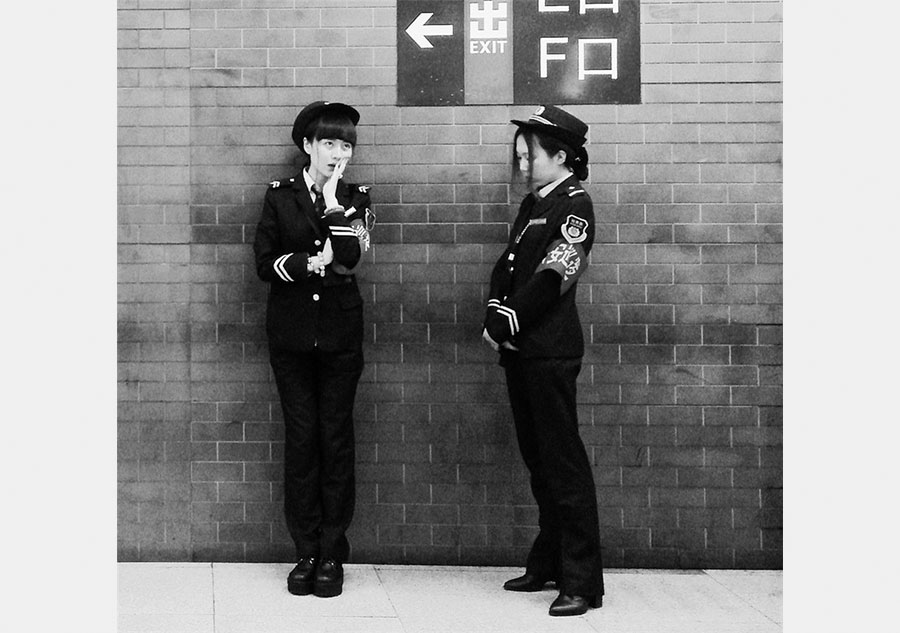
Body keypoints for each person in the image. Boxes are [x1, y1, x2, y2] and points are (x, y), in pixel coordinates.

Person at [482, 105, 604, 616]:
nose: (521, 159)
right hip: (523, 353)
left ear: (561, 155)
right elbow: (508, 266)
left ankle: (582, 581)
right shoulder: (534, 204)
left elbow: (555, 275)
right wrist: (495, 311)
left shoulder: (573, 207)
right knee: (539, 463)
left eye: (529, 152)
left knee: (563, 465)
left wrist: (508, 321)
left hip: (549, 351)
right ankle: (549, 558)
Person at [253, 101, 374, 598]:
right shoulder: (278, 197)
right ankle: (304, 549)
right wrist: (308, 263)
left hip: (341, 339)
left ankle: (331, 550)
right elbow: (265, 263)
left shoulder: (356, 198)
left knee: (336, 439)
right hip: (293, 338)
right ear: (307, 145)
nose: (337, 153)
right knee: (302, 440)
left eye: (345, 144)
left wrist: (330, 202)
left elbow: (352, 256)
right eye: (328, 143)